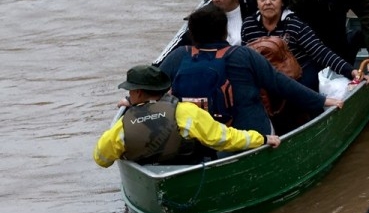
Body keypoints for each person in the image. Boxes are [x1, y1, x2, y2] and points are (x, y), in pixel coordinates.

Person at [157, 3, 343, 137]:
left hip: (198, 136)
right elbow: (281, 84)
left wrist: (131, 99)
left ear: (192, 33)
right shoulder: (243, 55)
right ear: (224, 31)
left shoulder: (180, 55)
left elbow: (153, 87)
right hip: (252, 134)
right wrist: (323, 100)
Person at [94, 65, 281, 168]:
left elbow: (101, 159)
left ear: (139, 93)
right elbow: (224, 139)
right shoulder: (187, 112)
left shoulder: (123, 125)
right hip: (188, 170)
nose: (130, 94)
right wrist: (263, 138)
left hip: (149, 173)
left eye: (131, 91)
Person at [241, 0, 362, 91]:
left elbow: (321, 52)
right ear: (257, 3)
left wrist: (351, 71)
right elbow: (243, 59)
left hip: (299, 74)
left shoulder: (294, 25)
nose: (267, 2)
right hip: (266, 76)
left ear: (282, 1)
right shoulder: (249, 25)